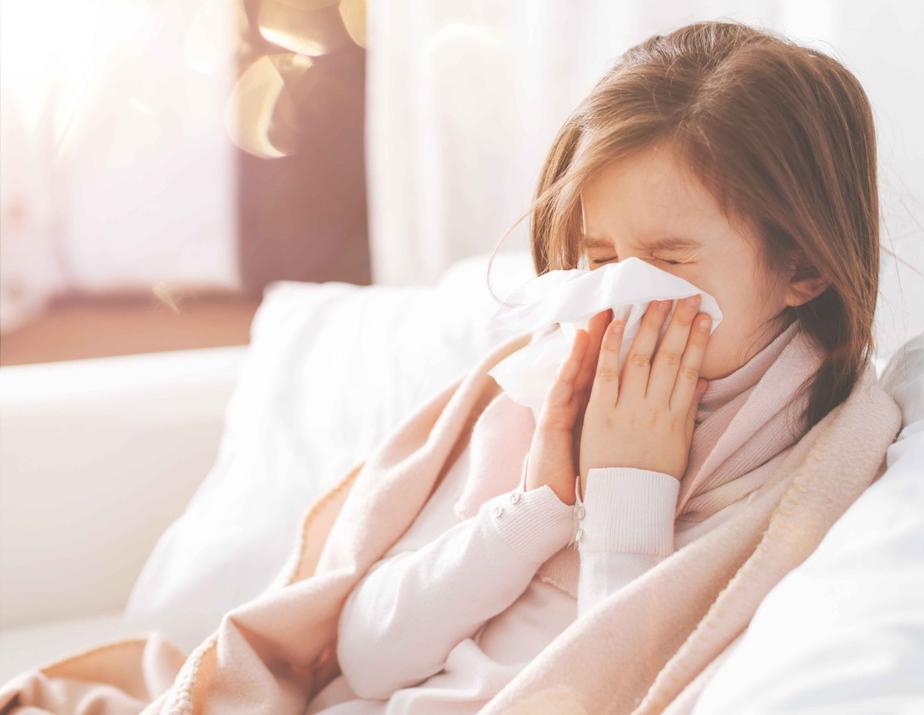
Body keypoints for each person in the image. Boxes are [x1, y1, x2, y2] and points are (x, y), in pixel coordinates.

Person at [313, 18, 881, 714]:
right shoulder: (547, 385)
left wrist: (629, 497)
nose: (619, 293)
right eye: (602, 258)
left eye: (669, 259)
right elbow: (366, 659)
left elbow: (627, 696)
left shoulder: (808, 475)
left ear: (805, 265)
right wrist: (533, 511)